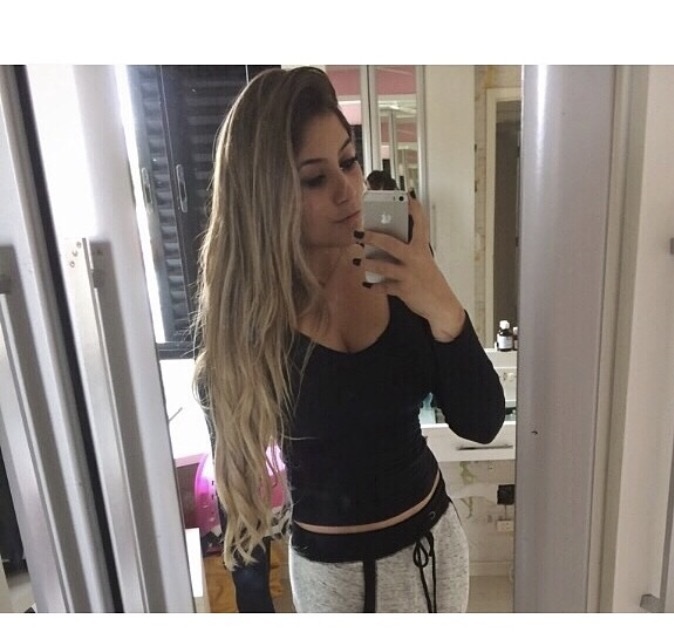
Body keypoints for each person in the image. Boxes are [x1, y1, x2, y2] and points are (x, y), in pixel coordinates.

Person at [193, 66, 505, 613]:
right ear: (265, 197)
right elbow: (238, 496)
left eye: (348, 160)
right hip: (327, 576)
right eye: (315, 179)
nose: (347, 190)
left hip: (431, 551)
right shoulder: (248, 321)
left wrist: (442, 304)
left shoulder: (397, 265)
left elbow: (481, 422)